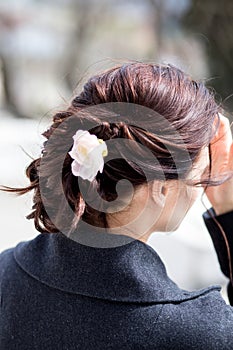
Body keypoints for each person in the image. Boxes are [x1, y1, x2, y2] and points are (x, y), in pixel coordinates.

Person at [1, 62, 233, 349]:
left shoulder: (6, 274)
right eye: (201, 177)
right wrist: (229, 219)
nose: (202, 187)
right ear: (160, 187)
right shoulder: (203, 332)